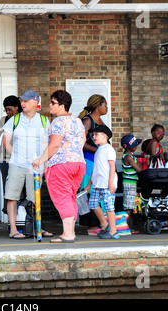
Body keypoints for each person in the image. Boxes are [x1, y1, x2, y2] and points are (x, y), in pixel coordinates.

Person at [32, 90, 85, 243]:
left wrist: (40, 160)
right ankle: (71, 232)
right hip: (78, 163)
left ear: (62, 105)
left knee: (63, 197)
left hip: (61, 165)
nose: (50, 105)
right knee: (70, 197)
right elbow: (82, 140)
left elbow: (54, 145)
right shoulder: (77, 121)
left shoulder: (58, 121)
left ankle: (68, 234)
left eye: (53, 103)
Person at [2, 90, 53, 239]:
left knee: (35, 197)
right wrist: (17, 156)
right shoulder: (15, 120)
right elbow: (5, 142)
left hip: (36, 165)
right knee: (12, 196)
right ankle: (13, 229)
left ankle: (37, 227)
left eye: (26, 101)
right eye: (22, 101)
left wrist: (44, 162)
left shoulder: (44, 121)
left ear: (35, 102)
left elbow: (48, 144)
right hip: (17, 164)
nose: (23, 103)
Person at [78, 94, 108, 236]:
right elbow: (81, 143)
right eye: (105, 105)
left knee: (100, 191)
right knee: (91, 192)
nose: (107, 108)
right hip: (89, 160)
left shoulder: (100, 120)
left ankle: (100, 223)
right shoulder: (87, 121)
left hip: (99, 160)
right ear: (98, 106)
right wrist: (99, 150)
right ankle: (91, 226)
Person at [0, 95, 23, 214]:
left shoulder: (24, 119)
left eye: (10, 109)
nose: (8, 112)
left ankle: (23, 218)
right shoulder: (4, 120)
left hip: (22, 160)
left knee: (23, 190)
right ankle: (11, 219)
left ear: (17, 107)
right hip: (6, 160)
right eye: (6, 110)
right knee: (8, 189)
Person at [84, 125, 119, 239]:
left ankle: (113, 231)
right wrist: (89, 184)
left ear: (104, 136)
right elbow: (96, 168)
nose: (93, 137)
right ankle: (104, 224)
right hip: (97, 183)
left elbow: (112, 166)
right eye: (93, 135)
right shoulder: (99, 149)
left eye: (96, 135)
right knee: (93, 204)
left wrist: (110, 183)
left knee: (109, 207)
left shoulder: (109, 149)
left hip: (106, 184)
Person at [120, 134, 142, 234]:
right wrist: (137, 165)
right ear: (128, 147)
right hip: (129, 184)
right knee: (128, 207)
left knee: (131, 205)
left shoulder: (131, 156)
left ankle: (128, 227)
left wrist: (137, 165)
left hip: (132, 182)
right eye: (135, 145)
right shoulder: (128, 157)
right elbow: (139, 169)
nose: (136, 146)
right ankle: (126, 227)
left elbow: (138, 166)